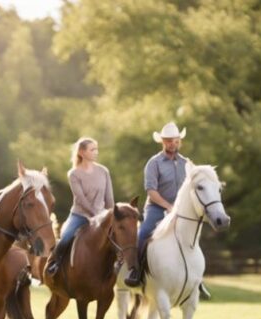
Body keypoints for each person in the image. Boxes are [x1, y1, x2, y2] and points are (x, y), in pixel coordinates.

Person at [124, 122, 210, 298]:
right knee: (144, 233)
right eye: (169, 141)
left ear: (180, 141)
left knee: (193, 236)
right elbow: (151, 192)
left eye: (176, 140)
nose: (173, 144)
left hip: (182, 211)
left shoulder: (187, 164)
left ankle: (197, 279)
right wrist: (169, 207)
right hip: (157, 207)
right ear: (162, 142)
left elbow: (194, 189)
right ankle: (136, 271)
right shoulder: (153, 163)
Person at [45, 137, 115, 276]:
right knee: (65, 238)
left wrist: (111, 215)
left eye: (96, 149)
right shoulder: (74, 174)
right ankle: (55, 263)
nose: (96, 152)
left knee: (121, 237)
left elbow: (109, 198)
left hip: (102, 215)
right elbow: (81, 199)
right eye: (92, 149)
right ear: (82, 153)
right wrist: (96, 215)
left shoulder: (103, 171)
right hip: (80, 215)